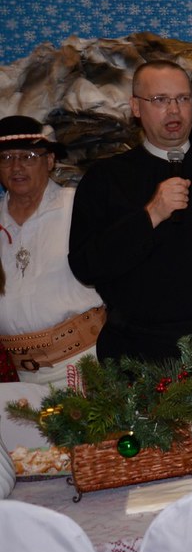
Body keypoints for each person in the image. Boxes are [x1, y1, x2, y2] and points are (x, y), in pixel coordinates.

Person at [69, 60, 192, 429]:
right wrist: (151, 214)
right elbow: (86, 265)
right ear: (136, 107)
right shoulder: (105, 179)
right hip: (134, 353)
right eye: (160, 100)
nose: (174, 110)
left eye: (182, 99)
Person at [0, 116, 105, 387]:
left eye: (28, 156)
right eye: (6, 158)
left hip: (83, 363)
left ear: (49, 161)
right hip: (16, 375)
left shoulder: (77, 206)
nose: (16, 167)